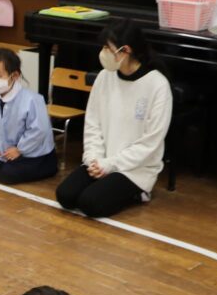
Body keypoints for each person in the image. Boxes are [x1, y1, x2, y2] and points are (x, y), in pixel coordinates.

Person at [55, 20, 172, 218]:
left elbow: (150, 143)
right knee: (65, 195)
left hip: (134, 169)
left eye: (107, 48)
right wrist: (93, 159)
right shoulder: (104, 77)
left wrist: (111, 164)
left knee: (90, 204)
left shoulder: (157, 85)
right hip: (102, 162)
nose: (103, 53)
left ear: (125, 50)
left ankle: (139, 193)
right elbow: (92, 124)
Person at [0, 48, 58, 185]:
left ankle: (48, 165)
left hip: (33, 152)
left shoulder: (32, 100)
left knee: (8, 175)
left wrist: (20, 149)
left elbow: (39, 130)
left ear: (15, 75)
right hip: (8, 150)